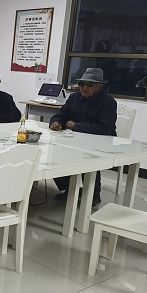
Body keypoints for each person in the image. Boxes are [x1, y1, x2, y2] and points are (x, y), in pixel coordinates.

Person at [49, 68, 117, 207]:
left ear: (99, 86)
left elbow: (105, 128)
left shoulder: (108, 102)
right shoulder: (74, 98)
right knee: (56, 154)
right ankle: (70, 189)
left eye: (89, 85)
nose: (84, 88)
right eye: (81, 84)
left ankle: (93, 196)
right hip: (75, 138)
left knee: (88, 159)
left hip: (100, 141)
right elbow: (61, 115)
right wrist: (56, 123)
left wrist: (76, 126)